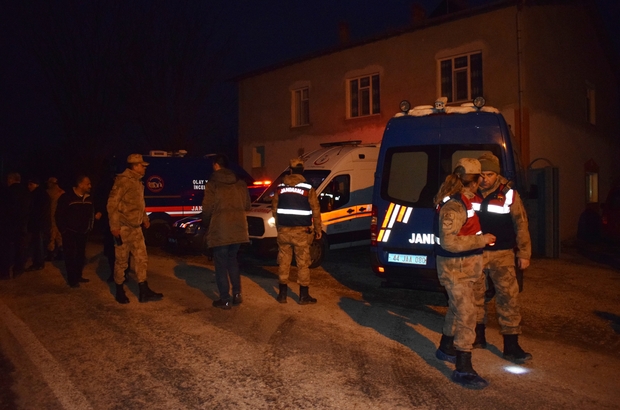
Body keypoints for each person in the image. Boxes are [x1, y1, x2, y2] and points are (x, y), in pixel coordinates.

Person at [433, 158, 495, 389]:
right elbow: (449, 242)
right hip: (454, 268)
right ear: (476, 180)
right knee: (467, 313)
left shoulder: (465, 201)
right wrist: (482, 240)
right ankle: (463, 368)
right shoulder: (454, 206)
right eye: (482, 177)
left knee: (456, 310)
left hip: (465, 267)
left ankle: (445, 348)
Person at [470, 152, 532, 363]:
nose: (485, 178)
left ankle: (511, 345)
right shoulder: (470, 192)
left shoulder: (509, 194)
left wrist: (524, 253)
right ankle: (478, 337)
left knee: (508, 297)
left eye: (489, 174)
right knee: (475, 295)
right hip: (477, 251)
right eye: (481, 174)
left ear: (497, 174)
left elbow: (521, 224)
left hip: (503, 254)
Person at [107, 153, 163, 304]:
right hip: (123, 228)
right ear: (135, 166)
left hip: (136, 228)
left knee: (142, 259)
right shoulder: (123, 181)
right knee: (122, 261)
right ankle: (119, 290)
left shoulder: (138, 182)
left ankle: (143, 291)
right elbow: (111, 204)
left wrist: (145, 218)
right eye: (142, 166)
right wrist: (114, 226)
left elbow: (139, 204)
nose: (144, 168)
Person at [201, 154, 251, 309]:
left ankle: (225, 299)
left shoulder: (213, 183)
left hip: (220, 229)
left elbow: (207, 208)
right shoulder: (240, 183)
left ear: (216, 165)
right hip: (238, 228)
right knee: (233, 261)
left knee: (221, 265)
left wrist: (206, 223)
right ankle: (237, 294)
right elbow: (247, 205)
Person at [271, 158, 322, 305]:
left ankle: (282, 295)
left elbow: (274, 210)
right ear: (302, 172)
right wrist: (318, 229)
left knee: (283, 262)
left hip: (284, 231)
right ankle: (303, 296)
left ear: (290, 171)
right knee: (303, 264)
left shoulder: (280, 188)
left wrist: (279, 227)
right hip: (301, 232)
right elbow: (315, 210)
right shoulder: (308, 189)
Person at [56, 175, 97, 287]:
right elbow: (59, 215)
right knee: (70, 256)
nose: (90, 186)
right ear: (80, 184)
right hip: (70, 232)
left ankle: (78, 275)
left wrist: (89, 228)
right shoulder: (67, 197)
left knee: (80, 255)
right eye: (88, 183)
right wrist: (63, 230)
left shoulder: (88, 198)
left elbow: (91, 214)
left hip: (83, 233)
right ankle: (72, 279)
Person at [1, 172, 31, 278]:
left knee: (5, 248)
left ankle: (4, 272)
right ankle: (18, 269)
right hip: (22, 223)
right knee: (20, 247)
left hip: (7, 224)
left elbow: (4, 208)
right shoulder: (26, 192)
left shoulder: (6, 191)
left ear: (10, 179)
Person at [26, 177, 51, 271]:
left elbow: (37, 211)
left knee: (38, 244)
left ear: (36, 185)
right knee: (37, 243)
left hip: (39, 223)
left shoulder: (38, 195)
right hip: (40, 223)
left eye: (31, 184)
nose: (29, 187)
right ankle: (38, 262)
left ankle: (39, 263)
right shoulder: (41, 194)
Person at [46, 177, 65, 261]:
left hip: (51, 215)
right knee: (59, 234)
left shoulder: (48, 192)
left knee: (51, 234)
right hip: (61, 216)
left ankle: (51, 254)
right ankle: (61, 253)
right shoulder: (62, 192)